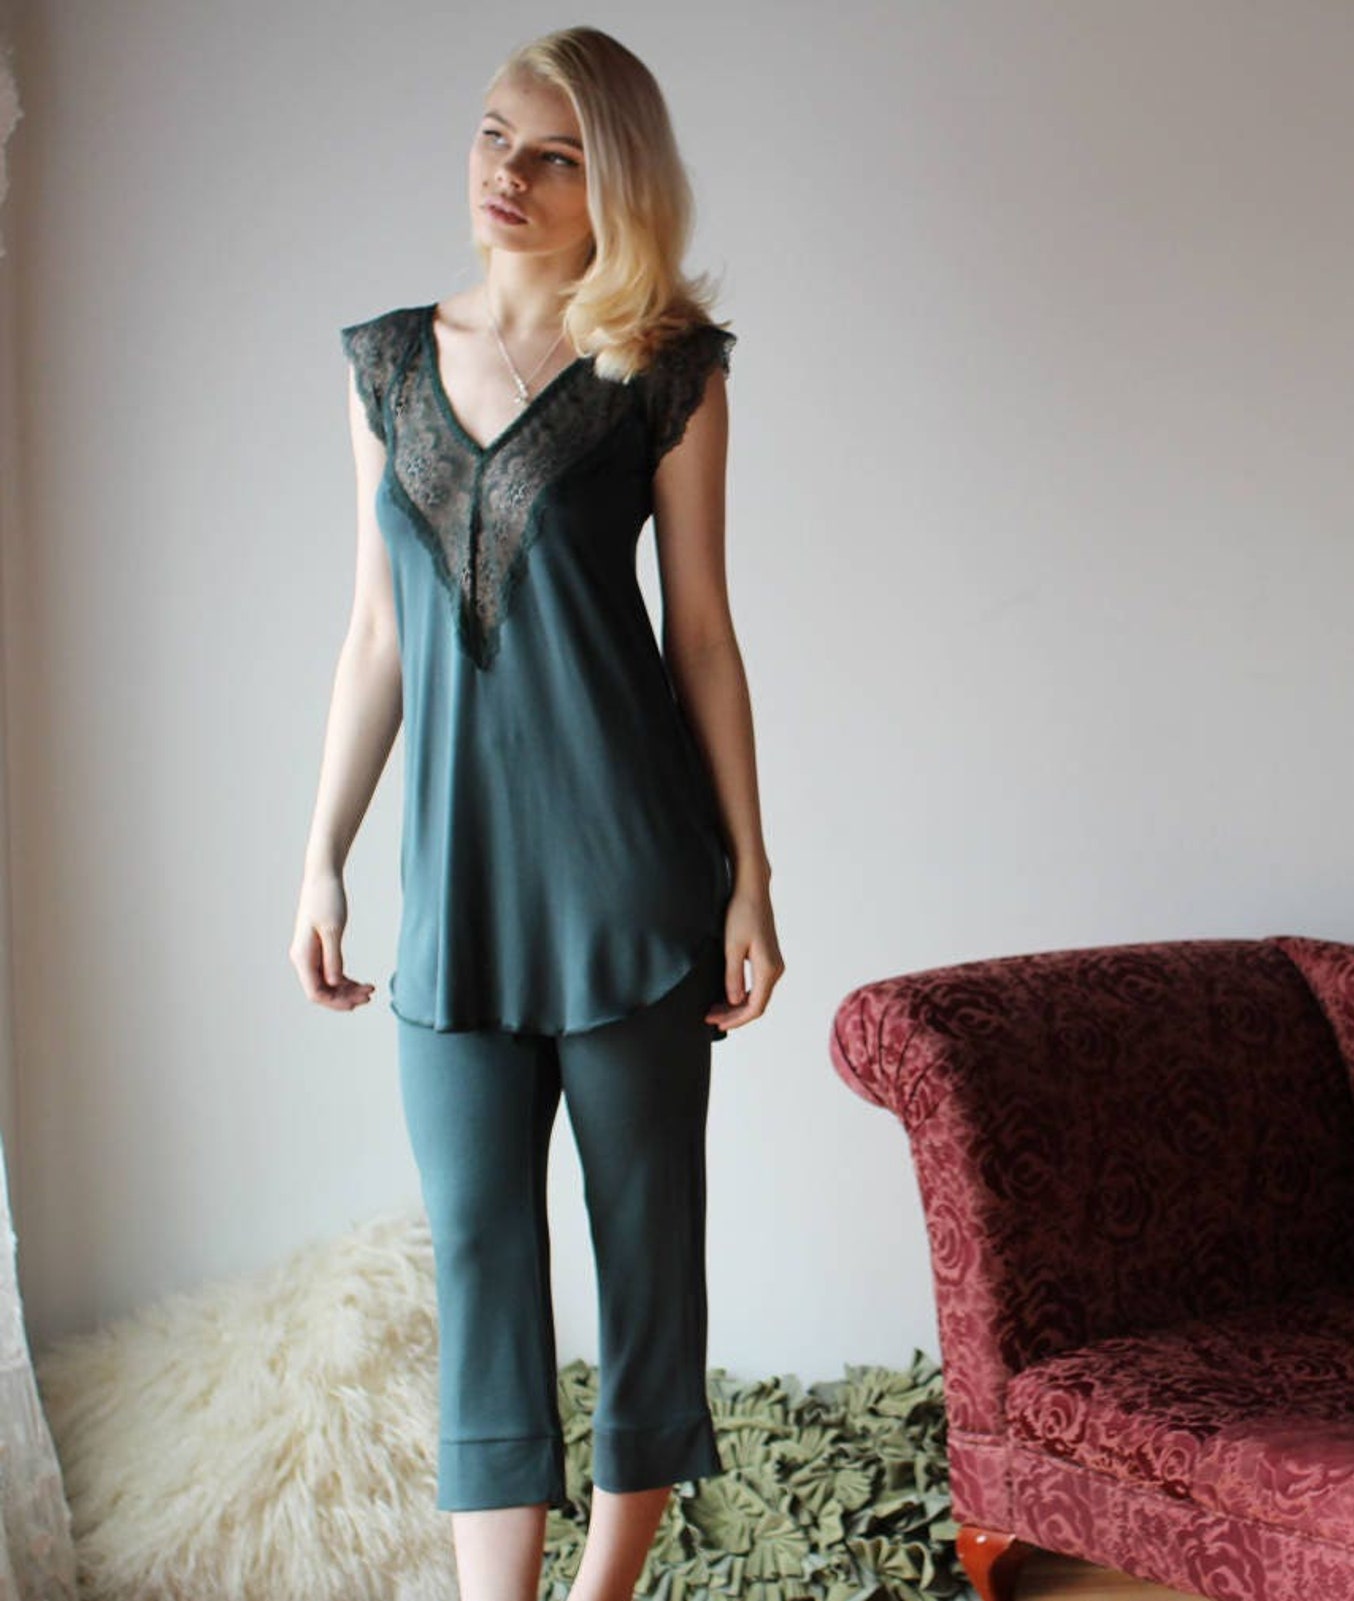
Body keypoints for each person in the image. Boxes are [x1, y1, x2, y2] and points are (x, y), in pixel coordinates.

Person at [287, 26, 783, 1601]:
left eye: (554, 155)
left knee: (647, 1256)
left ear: (612, 184)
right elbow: (376, 635)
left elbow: (704, 636)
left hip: (636, 884)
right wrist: (321, 859)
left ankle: (602, 1591)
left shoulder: (666, 367)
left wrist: (751, 880)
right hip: (460, 891)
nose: (508, 174)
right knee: (482, 1264)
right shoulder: (384, 365)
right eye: (496, 135)